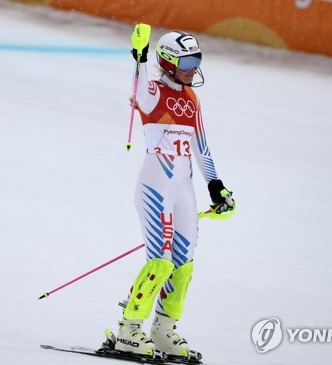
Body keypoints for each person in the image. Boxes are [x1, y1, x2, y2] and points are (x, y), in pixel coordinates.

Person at [114, 28, 235, 358]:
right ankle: (129, 329)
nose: (194, 67)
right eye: (187, 61)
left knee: (183, 265)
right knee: (161, 262)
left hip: (184, 190)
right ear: (167, 62)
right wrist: (139, 56)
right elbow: (138, 90)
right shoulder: (153, 91)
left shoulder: (191, 99)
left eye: (198, 59)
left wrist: (216, 186)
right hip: (155, 189)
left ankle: (164, 330)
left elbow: (203, 150)